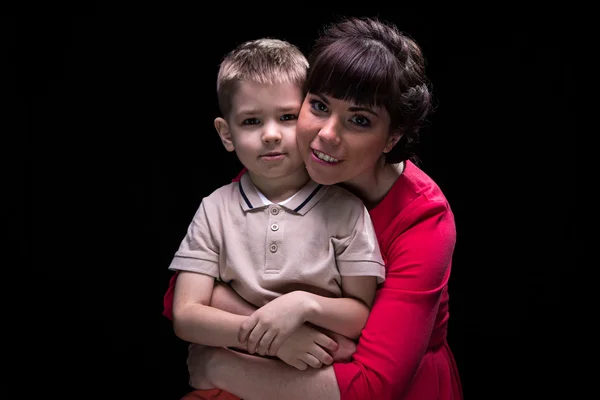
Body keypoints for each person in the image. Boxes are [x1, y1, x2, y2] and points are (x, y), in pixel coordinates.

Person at [168, 16, 463, 400]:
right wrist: (278, 337)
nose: (326, 134)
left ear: (392, 136)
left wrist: (220, 364)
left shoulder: (424, 220)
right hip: (281, 363)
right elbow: (186, 290)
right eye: (320, 106)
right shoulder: (288, 165)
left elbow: (374, 383)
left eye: (359, 120)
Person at [167, 36, 387, 391]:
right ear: (226, 134)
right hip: (231, 384)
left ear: (307, 118)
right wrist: (277, 338)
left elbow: (359, 316)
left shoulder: (346, 210)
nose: (270, 135)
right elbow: (186, 315)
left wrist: (303, 306)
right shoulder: (215, 209)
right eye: (252, 121)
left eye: (286, 117)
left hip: (311, 383)